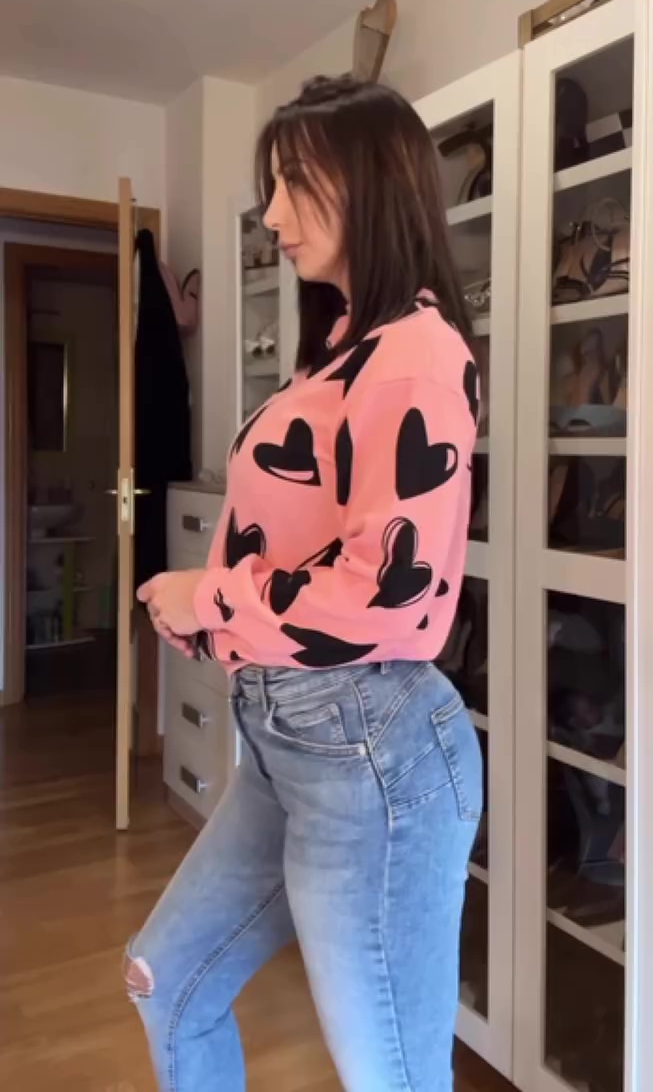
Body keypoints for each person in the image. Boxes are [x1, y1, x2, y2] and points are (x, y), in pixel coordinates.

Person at [130, 74, 483, 1092]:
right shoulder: (342, 350)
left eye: (296, 183)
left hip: (371, 749)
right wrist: (215, 620)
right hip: (293, 739)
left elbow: (388, 592)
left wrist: (213, 599)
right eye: (272, 186)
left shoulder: (415, 355)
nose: (274, 214)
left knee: (392, 1076)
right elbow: (296, 543)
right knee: (168, 981)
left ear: (372, 182)